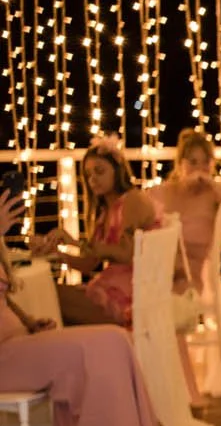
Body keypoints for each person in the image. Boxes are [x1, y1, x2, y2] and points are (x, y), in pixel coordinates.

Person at [0, 192, 217, 426]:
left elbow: (5, 300)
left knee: (114, 339)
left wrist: (29, 320)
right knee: (101, 345)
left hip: (17, 340)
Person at [38, 139, 156, 327]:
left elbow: (126, 254)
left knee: (47, 298)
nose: (93, 179)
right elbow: (88, 263)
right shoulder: (105, 212)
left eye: (99, 171)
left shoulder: (133, 200)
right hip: (110, 290)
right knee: (45, 294)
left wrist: (73, 242)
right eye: (88, 174)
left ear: (117, 171)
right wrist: (55, 253)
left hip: (131, 300)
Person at [152, 128, 221, 291]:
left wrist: (214, 184)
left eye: (206, 162)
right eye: (193, 162)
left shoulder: (213, 194)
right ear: (180, 164)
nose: (200, 168)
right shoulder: (162, 192)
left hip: (187, 277)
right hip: (156, 270)